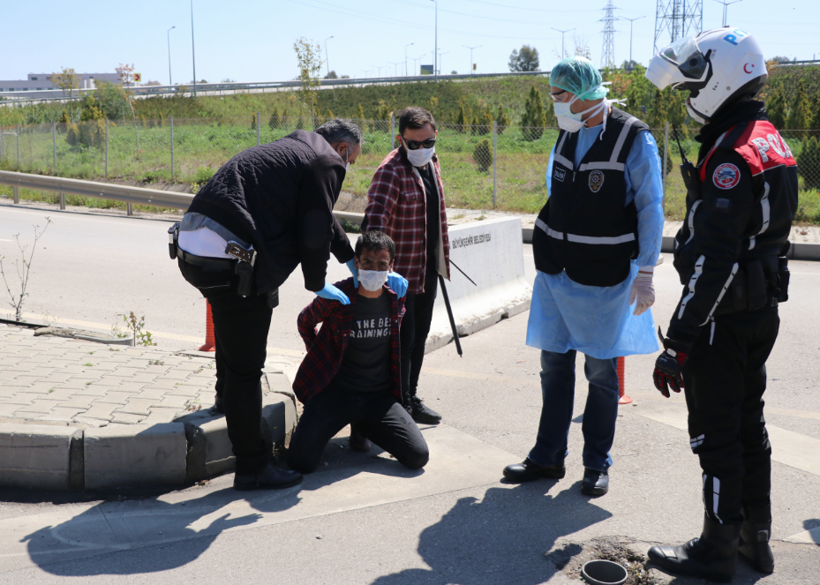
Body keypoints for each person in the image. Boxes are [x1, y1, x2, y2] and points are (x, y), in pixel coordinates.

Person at [172, 119, 408, 491]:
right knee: (246, 369)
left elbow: (323, 218)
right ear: (342, 149)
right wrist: (317, 283)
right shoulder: (326, 161)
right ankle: (252, 467)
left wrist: (351, 260)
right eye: (351, 160)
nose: (347, 167)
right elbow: (313, 232)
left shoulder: (295, 149)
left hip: (194, 247)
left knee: (233, 335)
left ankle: (225, 399)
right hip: (232, 259)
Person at [645, 29, 797, 581]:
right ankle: (756, 541)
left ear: (723, 77)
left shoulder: (731, 151)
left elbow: (715, 260)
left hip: (722, 319)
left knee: (716, 436)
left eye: (694, 83)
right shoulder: (768, 138)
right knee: (749, 424)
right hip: (759, 312)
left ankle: (715, 549)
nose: (689, 93)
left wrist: (677, 344)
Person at [502, 56, 664, 497]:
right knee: (554, 365)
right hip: (557, 269)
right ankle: (547, 456)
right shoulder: (569, 129)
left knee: (600, 372)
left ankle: (596, 463)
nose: (555, 103)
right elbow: (557, 191)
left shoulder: (633, 137)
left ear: (585, 93)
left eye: (560, 95)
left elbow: (651, 206)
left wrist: (646, 270)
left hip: (603, 275)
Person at [287, 230, 429, 474]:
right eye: (367, 263)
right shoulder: (338, 296)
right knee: (300, 462)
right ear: (357, 262)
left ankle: (363, 425)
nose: (374, 270)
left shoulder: (395, 297)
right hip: (335, 393)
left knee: (417, 456)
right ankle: (348, 421)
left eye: (382, 264)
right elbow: (305, 321)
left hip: (377, 396)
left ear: (391, 266)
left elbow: (404, 346)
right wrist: (318, 353)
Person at [364, 106, 450, 425]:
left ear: (435, 135)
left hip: (427, 269)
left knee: (419, 337)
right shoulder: (391, 170)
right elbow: (374, 225)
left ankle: (410, 396)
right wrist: (378, 274)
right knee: (402, 342)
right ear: (401, 140)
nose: (421, 148)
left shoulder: (432, 162)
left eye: (427, 142)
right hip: (400, 276)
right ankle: (396, 405)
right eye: (413, 144)